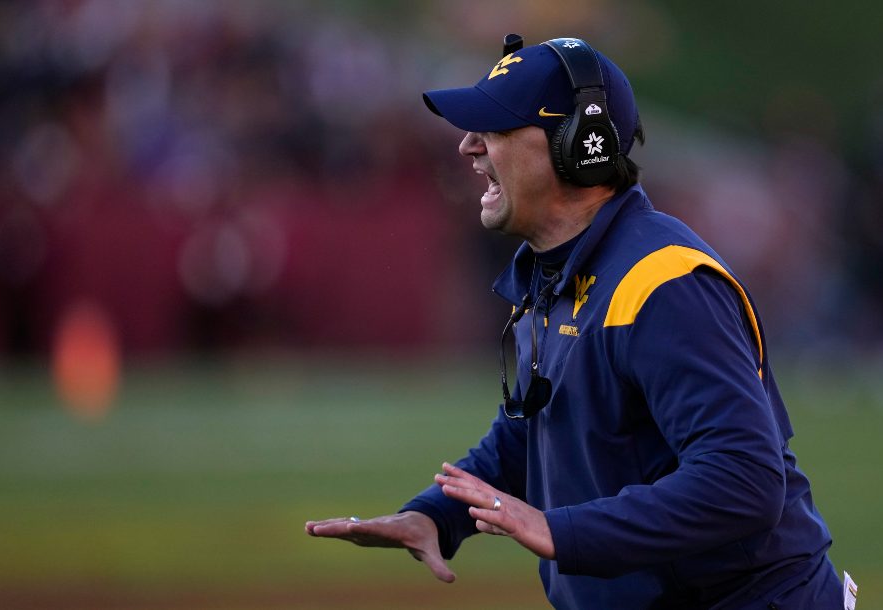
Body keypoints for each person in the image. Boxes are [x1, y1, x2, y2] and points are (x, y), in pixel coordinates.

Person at [306, 35, 848, 609]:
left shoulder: (663, 285)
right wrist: (437, 516)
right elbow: (533, 431)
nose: (468, 147)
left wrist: (562, 531)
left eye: (494, 128)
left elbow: (744, 481)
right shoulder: (555, 271)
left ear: (577, 147)